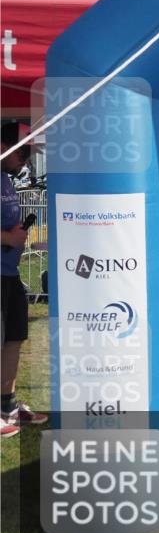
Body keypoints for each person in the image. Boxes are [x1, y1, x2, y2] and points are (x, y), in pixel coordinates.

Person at [1, 122, 47, 438]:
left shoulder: (5, 178)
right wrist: (7, 236)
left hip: (10, 273)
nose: (27, 161)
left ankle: (8, 405)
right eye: (24, 152)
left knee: (14, 339)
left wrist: (17, 236)